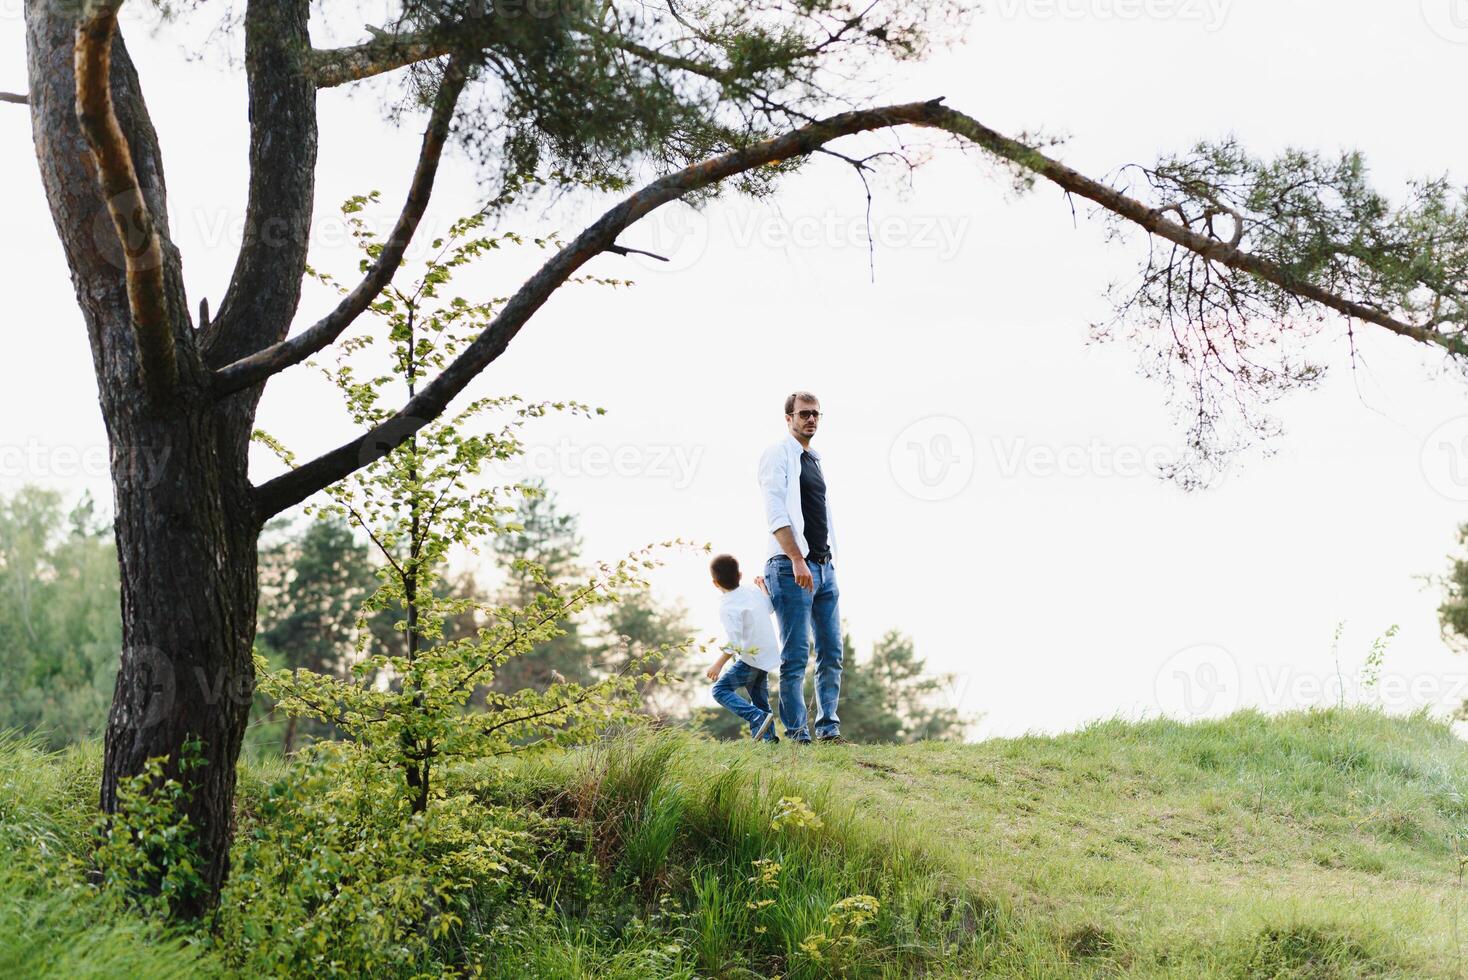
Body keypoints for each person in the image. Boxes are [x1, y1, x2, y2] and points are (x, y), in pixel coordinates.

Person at [758, 390, 844, 744]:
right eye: (804, 414)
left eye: (816, 414)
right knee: (795, 657)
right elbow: (775, 511)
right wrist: (796, 559)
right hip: (790, 567)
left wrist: (827, 561)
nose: (811, 419)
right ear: (788, 418)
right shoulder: (778, 454)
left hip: (824, 567)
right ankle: (798, 735)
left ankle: (829, 728)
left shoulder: (814, 459)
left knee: (831, 653)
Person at [705, 553, 781, 741]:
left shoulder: (727, 607)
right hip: (765, 655)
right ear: (740, 575)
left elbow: (734, 642)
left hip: (750, 659)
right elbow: (770, 607)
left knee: (719, 691)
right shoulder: (751, 590)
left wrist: (718, 664)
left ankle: (756, 716)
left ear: (715, 583)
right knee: (760, 700)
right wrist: (762, 586)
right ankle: (769, 741)